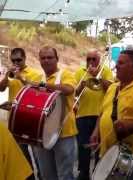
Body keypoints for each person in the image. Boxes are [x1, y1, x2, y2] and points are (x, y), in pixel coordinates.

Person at [91, 49, 133, 180]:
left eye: (121, 63)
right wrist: (95, 132)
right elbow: (103, 113)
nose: (116, 66)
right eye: (117, 62)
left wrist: (130, 124)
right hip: (107, 151)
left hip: (132, 155)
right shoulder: (112, 87)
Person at [33, 46, 78, 180]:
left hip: (64, 133)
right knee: (47, 175)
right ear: (39, 60)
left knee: (65, 175)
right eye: (43, 58)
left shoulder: (66, 75)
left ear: (57, 59)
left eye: (50, 57)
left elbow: (68, 89)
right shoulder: (37, 77)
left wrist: (43, 86)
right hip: (42, 134)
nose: (46, 61)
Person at [0, 47, 42, 180]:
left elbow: (36, 91)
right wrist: (6, 76)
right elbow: (1, 89)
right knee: (21, 155)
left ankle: (41, 176)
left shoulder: (34, 73)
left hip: (31, 119)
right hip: (15, 120)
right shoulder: (11, 74)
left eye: (19, 60)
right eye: (13, 60)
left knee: (38, 155)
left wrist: (21, 78)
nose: (16, 63)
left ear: (25, 58)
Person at [74, 49, 113, 180]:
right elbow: (75, 93)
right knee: (83, 147)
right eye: (88, 59)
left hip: (100, 115)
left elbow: (111, 89)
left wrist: (99, 77)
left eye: (93, 59)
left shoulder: (105, 70)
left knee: (99, 148)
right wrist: (81, 86)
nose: (90, 62)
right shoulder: (80, 72)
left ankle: (98, 173)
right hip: (83, 115)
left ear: (99, 60)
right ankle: (83, 172)